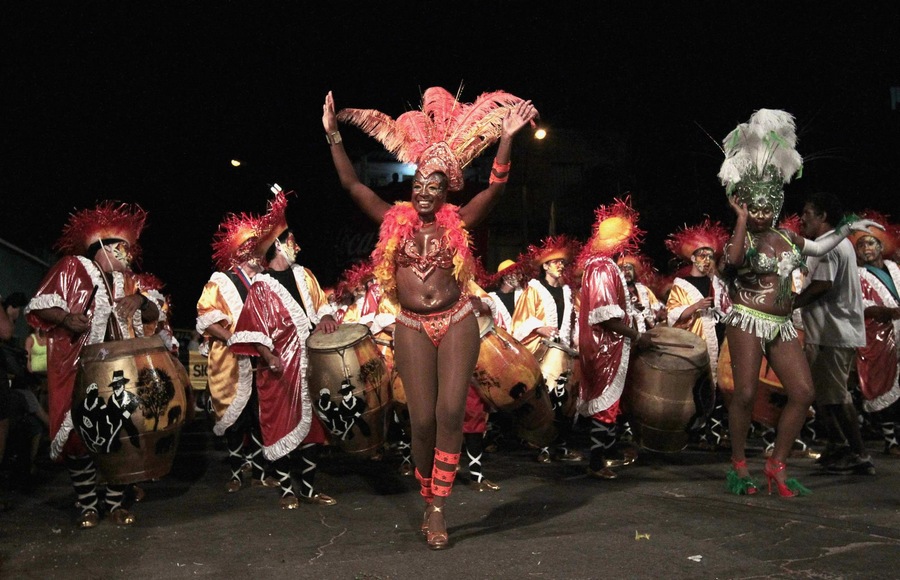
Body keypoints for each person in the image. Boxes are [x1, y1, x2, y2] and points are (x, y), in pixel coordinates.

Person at [323, 87, 537, 549]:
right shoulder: (392, 219)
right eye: (418, 183)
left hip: (456, 320)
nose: (423, 192)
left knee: (449, 411)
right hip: (411, 325)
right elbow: (353, 186)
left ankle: (439, 506)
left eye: (433, 186)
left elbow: (496, 188)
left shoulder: (460, 220)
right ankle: (428, 495)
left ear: (445, 191)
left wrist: (506, 138)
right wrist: (334, 135)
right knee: (420, 421)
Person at [717, 110, 880, 496]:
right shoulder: (743, 237)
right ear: (745, 204)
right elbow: (734, 262)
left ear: (776, 205)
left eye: (766, 209)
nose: (760, 214)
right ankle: (739, 465)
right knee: (744, 394)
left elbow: (821, 247)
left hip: (783, 323)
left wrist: (847, 227)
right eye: (754, 208)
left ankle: (776, 465)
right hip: (747, 318)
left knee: (804, 393)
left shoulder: (788, 238)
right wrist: (739, 219)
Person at [24, 202, 159, 526]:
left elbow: (154, 313)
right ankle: (87, 503)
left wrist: (140, 299)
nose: (129, 255)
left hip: (120, 371)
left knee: (121, 436)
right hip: (78, 367)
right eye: (122, 248)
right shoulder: (72, 267)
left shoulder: (128, 281)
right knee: (78, 439)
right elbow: (40, 305)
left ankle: (114, 504)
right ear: (103, 247)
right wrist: (66, 319)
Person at [228, 186, 339, 509]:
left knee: (313, 431)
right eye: (292, 241)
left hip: (310, 367)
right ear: (278, 245)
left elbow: (323, 306)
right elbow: (253, 328)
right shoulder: (261, 287)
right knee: (281, 427)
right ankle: (287, 490)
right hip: (278, 371)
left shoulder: (305, 275)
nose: (297, 246)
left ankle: (308, 489)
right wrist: (269, 356)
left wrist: (327, 317)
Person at [794, 192, 878, 475]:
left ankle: (859, 454)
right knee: (825, 394)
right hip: (829, 331)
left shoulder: (828, 246)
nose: (802, 218)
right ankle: (838, 446)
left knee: (837, 396)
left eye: (807, 213)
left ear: (823, 216)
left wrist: (790, 304)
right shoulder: (833, 244)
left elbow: (823, 285)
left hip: (833, 332)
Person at [196, 202, 277, 493]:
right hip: (231, 360)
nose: (257, 253)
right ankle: (235, 472)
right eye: (251, 248)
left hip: (263, 359)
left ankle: (259, 471)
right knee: (236, 418)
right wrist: (231, 338)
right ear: (239, 252)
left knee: (260, 416)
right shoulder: (220, 281)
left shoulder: (268, 281)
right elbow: (206, 319)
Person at [575, 197, 654, 479]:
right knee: (605, 405)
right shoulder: (602, 268)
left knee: (611, 403)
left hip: (608, 344)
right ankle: (596, 462)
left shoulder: (600, 265)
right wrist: (636, 335)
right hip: (604, 346)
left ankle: (607, 453)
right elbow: (605, 316)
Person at [511, 235, 584, 464]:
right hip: (541, 350)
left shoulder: (568, 291)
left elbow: (576, 319)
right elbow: (519, 321)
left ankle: (561, 446)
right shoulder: (533, 289)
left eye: (562, 263)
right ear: (545, 266)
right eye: (556, 262)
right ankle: (543, 446)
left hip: (564, 349)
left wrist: (577, 340)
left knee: (565, 399)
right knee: (546, 398)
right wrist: (538, 327)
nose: (561, 266)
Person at [665, 219, 732, 449]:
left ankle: (714, 434)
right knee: (697, 388)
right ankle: (694, 433)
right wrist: (696, 306)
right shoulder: (682, 284)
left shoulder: (717, 282)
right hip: (696, 341)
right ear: (692, 258)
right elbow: (672, 314)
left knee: (719, 387)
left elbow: (728, 309)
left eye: (710, 256)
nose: (706, 260)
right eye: (702, 255)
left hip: (719, 338)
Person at [851, 212, 900, 456]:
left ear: (881, 246)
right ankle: (890, 441)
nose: (866, 248)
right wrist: (887, 312)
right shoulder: (858, 275)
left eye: (871, 243)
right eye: (861, 245)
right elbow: (860, 306)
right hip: (877, 336)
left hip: (898, 332)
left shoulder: (894, 269)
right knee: (882, 385)